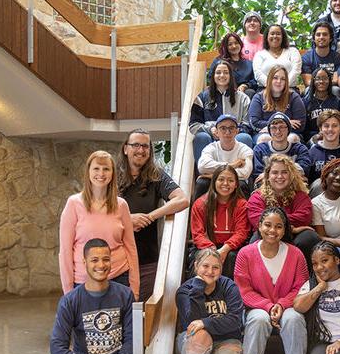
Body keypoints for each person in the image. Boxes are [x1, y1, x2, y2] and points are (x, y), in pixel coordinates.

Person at [234, 207, 309, 354]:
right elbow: (244, 291)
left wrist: (282, 304)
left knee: (294, 319)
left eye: (278, 226)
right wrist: (268, 306)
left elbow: (301, 287)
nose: (272, 230)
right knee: (258, 319)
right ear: (259, 226)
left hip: (288, 306)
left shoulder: (296, 254)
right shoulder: (245, 254)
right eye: (267, 225)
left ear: (285, 230)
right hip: (257, 307)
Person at [118, 129, 189, 301]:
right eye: (136, 145)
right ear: (126, 149)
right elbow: (98, 211)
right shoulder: (112, 175)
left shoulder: (156, 175)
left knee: (142, 313)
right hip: (117, 259)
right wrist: (129, 220)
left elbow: (182, 200)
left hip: (147, 261)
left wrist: (150, 216)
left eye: (145, 146)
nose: (141, 150)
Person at [59, 150, 139, 301]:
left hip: (118, 278)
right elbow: (65, 252)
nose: (101, 173)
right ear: (88, 172)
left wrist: (134, 288)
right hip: (83, 282)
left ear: (112, 173)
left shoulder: (121, 205)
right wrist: (68, 292)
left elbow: (131, 248)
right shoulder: (74, 204)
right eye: (96, 168)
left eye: (106, 169)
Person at [247, 154, 319, 265]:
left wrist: (273, 221)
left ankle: (306, 278)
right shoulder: (257, 197)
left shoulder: (300, 196)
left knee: (309, 237)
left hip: (294, 238)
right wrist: (292, 228)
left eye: (284, 172)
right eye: (275, 172)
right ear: (268, 175)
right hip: (268, 234)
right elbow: (257, 220)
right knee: (256, 239)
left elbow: (304, 217)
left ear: (291, 175)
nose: (280, 176)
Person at [191, 165, 250, 278]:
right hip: (207, 246)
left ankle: (227, 293)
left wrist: (224, 249)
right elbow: (197, 234)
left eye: (230, 180)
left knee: (232, 257)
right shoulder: (200, 204)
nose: (225, 184)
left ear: (236, 184)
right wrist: (212, 251)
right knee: (203, 258)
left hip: (231, 247)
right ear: (214, 182)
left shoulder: (242, 205)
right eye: (221, 179)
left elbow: (242, 232)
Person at [190, 60, 253, 162]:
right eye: (218, 72)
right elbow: (193, 124)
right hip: (211, 137)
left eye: (226, 72)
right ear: (213, 75)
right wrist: (211, 129)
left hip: (235, 137)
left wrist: (230, 132)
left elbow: (247, 124)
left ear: (231, 75)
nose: (222, 75)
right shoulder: (202, 97)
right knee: (201, 137)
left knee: (245, 137)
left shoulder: (243, 98)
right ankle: (205, 175)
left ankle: (241, 174)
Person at [196, 114, 253, 200]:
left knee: (242, 184)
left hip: (235, 183)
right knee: (202, 183)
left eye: (231, 128)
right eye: (223, 128)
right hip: (217, 182)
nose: (227, 132)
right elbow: (202, 167)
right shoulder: (210, 148)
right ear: (216, 132)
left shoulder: (245, 150)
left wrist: (212, 176)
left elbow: (245, 173)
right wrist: (232, 165)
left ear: (237, 131)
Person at [248, 65, 307, 145]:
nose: (279, 81)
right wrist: (286, 123)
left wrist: (271, 126)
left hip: (289, 134)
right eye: (275, 78)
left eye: (283, 79)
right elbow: (254, 123)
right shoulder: (258, 97)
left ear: (286, 82)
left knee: (292, 139)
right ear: (269, 79)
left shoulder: (294, 97)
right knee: (265, 139)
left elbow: (301, 125)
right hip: (264, 134)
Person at [252, 112, 312, 185]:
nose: (278, 131)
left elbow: (304, 170)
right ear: (269, 130)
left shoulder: (300, 149)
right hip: (267, 188)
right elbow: (258, 176)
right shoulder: (260, 149)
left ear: (288, 129)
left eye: (282, 127)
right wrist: (292, 172)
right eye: (274, 127)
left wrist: (267, 174)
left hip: (293, 187)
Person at [308, 109, 340, 190]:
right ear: (320, 129)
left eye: (335, 126)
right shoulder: (311, 154)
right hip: (319, 198)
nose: (330, 129)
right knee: (318, 183)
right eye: (326, 126)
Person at [301, 22, 340, 98]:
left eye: (325, 34)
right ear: (314, 38)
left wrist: (321, 84)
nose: (321, 37)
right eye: (318, 35)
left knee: (336, 90)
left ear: (330, 38)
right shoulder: (306, 58)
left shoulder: (338, 58)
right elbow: (308, 82)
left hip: (331, 88)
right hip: (313, 89)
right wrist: (323, 83)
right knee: (308, 89)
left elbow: (336, 80)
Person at [252, 24, 302, 89]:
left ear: (283, 37)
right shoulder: (259, 54)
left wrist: (283, 87)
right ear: (267, 37)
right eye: (272, 34)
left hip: (289, 90)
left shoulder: (293, 52)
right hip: (265, 90)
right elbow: (258, 74)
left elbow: (296, 71)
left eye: (278, 34)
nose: (275, 36)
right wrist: (272, 87)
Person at [208, 33, 257, 98]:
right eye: (230, 44)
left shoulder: (249, 63)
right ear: (226, 47)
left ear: (240, 44)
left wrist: (246, 85)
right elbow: (211, 77)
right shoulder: (219, 61)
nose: (234, 46)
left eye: (236, 43)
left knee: (251, 92)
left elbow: (255, 80)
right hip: (224, 93)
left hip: (244, 94)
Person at [303, 67, 340, 143]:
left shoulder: (337, 101)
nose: (321, 81)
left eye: (325, 78)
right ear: (313, 81)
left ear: (329, 80)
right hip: (313, 139)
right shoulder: (306, 102)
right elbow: (304, 129)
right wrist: (317, 135)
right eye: (318, 78)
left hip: (333, 138)